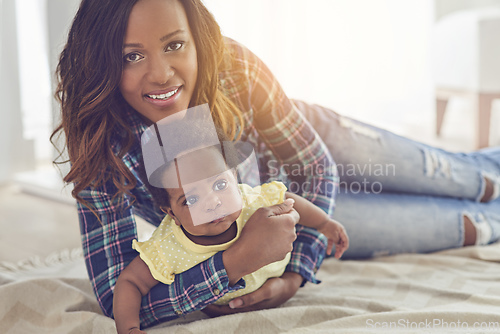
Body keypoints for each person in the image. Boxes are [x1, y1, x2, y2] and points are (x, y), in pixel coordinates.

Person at [51, 0, 500, 330]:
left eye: (174, 45)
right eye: (132, 56)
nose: (162, 74)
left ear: (196, 37)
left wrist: (294, 275)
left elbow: (315, 167)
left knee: (475, 181)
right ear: (104, 62)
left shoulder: (234, 67)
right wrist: (231, 264)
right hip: (266, 213)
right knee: (469, 223)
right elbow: (118, 294)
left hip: (315, 151)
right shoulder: (97, 134)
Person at [112, 121, 348, 333]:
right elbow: (131, 281)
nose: (213, 202)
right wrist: (129, 328)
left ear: (235, 176)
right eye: (191, 200)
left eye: (220, 184)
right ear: (171, 213)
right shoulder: (168, 247)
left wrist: (324, 223)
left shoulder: (252, 201)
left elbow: (289, 198)